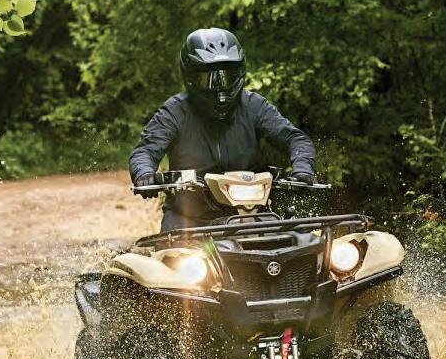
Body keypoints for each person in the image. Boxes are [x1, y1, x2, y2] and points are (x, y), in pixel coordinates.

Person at [129, 27, 316, 232]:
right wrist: (144, 173)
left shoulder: (254, 105)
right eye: (208, 78)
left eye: (227, 76)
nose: (219, 87)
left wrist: (303, 168)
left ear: (239, 73)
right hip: (189, 220)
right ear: (190, 77)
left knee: (298, 243)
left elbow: (295, 139)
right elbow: (145, 150)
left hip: (249, 216)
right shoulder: (174, 112)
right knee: (171, 251)